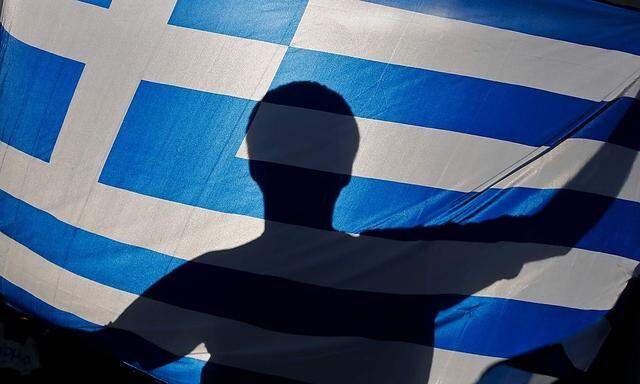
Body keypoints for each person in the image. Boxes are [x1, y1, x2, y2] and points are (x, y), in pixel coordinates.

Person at [105, 81, 635, 383]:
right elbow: (560, 226)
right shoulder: (407, 265)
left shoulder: (215, 280)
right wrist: (630, 121)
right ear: (347, 170)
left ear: (254, 167)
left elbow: (110, 353)